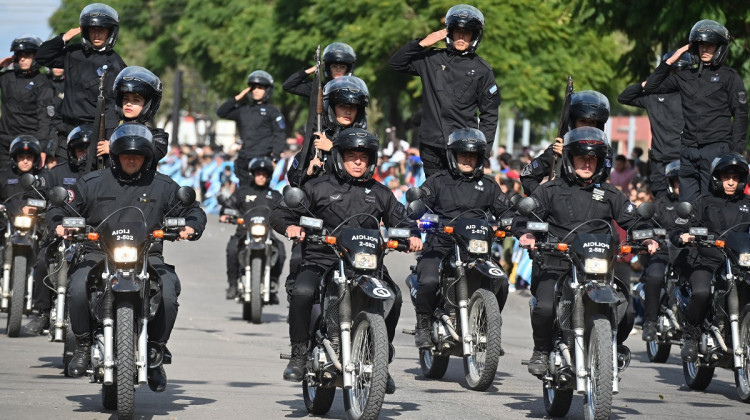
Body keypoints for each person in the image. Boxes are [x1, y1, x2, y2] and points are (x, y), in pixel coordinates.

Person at [47, 123, 206, 392]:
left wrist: (190, 226)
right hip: (98, 252)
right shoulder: (92, 182)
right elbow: (61, 206)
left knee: (168, 292)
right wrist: (61, 224)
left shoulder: (163, 185)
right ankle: (83, 345)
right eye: (125, 154)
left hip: (147, 254)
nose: (131, 159)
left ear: (146, 157)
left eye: (138, 155)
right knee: (76, 286)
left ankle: (155, 352)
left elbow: (193, 210)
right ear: (115, 155)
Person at [271, 128, 422, 393]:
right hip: (322, 259)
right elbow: (282, 214)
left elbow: (403, 220)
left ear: (371, 160)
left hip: (365, 264)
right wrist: (291, 228)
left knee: (394, 297)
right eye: (351, 156)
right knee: (303, 292)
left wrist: (412, 236)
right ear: (339, 157)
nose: (357, 162)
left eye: (363, 157)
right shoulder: (317, 187)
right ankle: (298, 354)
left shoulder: (380, 192)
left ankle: (380, 361)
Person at [514, 127, 658, 376]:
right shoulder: (550, 190)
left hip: (598, 268)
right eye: (582, 157)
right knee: (546, 307)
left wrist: (647, 238)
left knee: (628, 309)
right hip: (556, 264)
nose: (587, 163)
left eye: (593, 159)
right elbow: (524, 216)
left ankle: (614, 345)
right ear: (570, 159)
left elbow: (633, 219)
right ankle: (541, 350)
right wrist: (526, 234)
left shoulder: (610, 193)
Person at [412, 128, 511, 348]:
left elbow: (506, 211)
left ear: (479, 158)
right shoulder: (437, 181)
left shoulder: (489, 186)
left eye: (473, 155)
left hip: (475, 248)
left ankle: (489, 324)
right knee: (428, 280)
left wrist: (511, 222)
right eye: (463, 154)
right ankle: (424, 325)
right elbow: (418, 206)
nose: (467, 159)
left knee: (501, 280)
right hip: (441, 244)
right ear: (453, 155)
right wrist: (416, 217)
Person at [644, 19, 748, 203]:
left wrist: (735, 152)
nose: (704, 50)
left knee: (713, 204)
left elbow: (740, 115)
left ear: (719, 48)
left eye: (709, 45)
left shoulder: (730, 77)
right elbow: (651, 86)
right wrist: (672, 59)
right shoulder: (685, 76)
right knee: (687, 208)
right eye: (700, 45)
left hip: (716, 149)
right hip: (688, 151)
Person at [389, 4, 500, 178]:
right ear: (450, 32)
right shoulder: (431, 59)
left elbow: (490, 115)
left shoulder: (483, 70)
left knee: (459, 199)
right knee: (433, 199)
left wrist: (482, 152)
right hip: (430, 145)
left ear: (475, 35)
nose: (461, 36)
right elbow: (396, 63)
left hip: (464, 148)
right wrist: (422, 43)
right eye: (457, 31)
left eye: (467, 32)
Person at [670, 153, 750, 362]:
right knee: (702, 292)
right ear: (717, 178)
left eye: (735, 177)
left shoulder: (748, 204)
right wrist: (683, 235)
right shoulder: (703, 202)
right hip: (707, 261)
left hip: (739, 263)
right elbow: (679, 227)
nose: (731, 182)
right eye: (726, 177)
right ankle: (691, 334)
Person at [35, 3, 127, 165]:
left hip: (95, 136)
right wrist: (64, 38)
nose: (97, 34)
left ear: (110, 32)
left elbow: (113, 108)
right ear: (86, 31)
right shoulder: (73, 53)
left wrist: (109, 141)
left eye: (102, 29)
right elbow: (42, 56)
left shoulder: (116, 64)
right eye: (92, 29)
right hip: (67, 133)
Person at [24, 126, 94, 335]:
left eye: (87, 149)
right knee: (41, 261)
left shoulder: (100, 172)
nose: (83, 154)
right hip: (60, 232)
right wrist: (30, 205)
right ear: (71, 150)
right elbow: (41, 191)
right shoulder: (57, 172)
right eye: (79, 149)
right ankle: (42, 312)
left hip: (90, 235)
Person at [618, 51, 691, 200]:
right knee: (661, 200)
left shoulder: (692, 95)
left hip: (686, 157)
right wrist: (647, 84)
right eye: (671, 71)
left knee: (688, 200)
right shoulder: (653, 96)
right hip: (660, 160)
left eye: (680, 71)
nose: (675, 75)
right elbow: (624, 97)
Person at [220, 156, 285, 301]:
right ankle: (233, 285)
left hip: (267, 233)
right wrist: (225, 214)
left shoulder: (274, 195)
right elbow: (228, 205)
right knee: (231, 249)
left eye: (264, 174)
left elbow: (284, 211)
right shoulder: (242, 192)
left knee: (280, 250)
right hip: (244, 232)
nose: (261, 177)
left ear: (268, 176)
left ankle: (273, 282)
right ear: (253, 174)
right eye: (258, 173)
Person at [520, 90, 610, 194]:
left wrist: (569, 154)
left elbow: (602, 177)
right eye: (582, 121)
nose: (587, 126)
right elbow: (527, 176)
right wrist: (545, 198)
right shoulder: (558, 148)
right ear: (573, 123)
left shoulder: (605, 150)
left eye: (592, 122)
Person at [287, 75, 369, 185]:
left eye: (352, 107)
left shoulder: (364, 141)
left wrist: (332, 149)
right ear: (331, 108)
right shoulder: (318, 139)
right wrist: (309, 171)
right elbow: (293, 179)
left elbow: (363, 178)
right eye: (342, 106)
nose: (348, 112)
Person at [216, 70, 286, 187]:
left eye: (260, 87)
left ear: (267, 90)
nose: (256, 91)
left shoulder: (272, 111)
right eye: (253, 88)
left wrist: (275, 159)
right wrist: (239, 97)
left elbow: (280, 135)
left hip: (262, 159)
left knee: (259, 196)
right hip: (244, 159)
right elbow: (221, 112)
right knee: (244, 196)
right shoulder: (243, 110)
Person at [639, 160, 682, 342]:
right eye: (678, 181)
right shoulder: (661, 204)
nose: (681, 185)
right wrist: (650, 238)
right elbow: (647, 223)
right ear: (671, 183)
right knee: (654, 276)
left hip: (687, 252)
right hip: (663, 250)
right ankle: (650, 321)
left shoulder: (697, 202)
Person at [0, 35, 54, 166]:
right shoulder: (6, 77)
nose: (22, 59)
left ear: (35, 56)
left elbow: (45, 119)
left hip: (29, 143)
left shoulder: (42, 82)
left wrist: (41, 148)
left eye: (27, 55)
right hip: (4, 142)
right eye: (19, 55)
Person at [113, 66, 169, 169]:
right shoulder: (111, 132)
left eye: (136, 100)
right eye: (126, 99)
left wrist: (112, 147)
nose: (129, 104)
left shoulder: (158, 138)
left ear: (147, 105)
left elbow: (149, 153)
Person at [282, 42, 356, 98]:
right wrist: (314, 69)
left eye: (342, 67)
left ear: (348, 70)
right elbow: (288, 86)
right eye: (334, 66)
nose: (338, 70)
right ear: (328, 69)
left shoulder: (354, 90)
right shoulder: (319, 89)